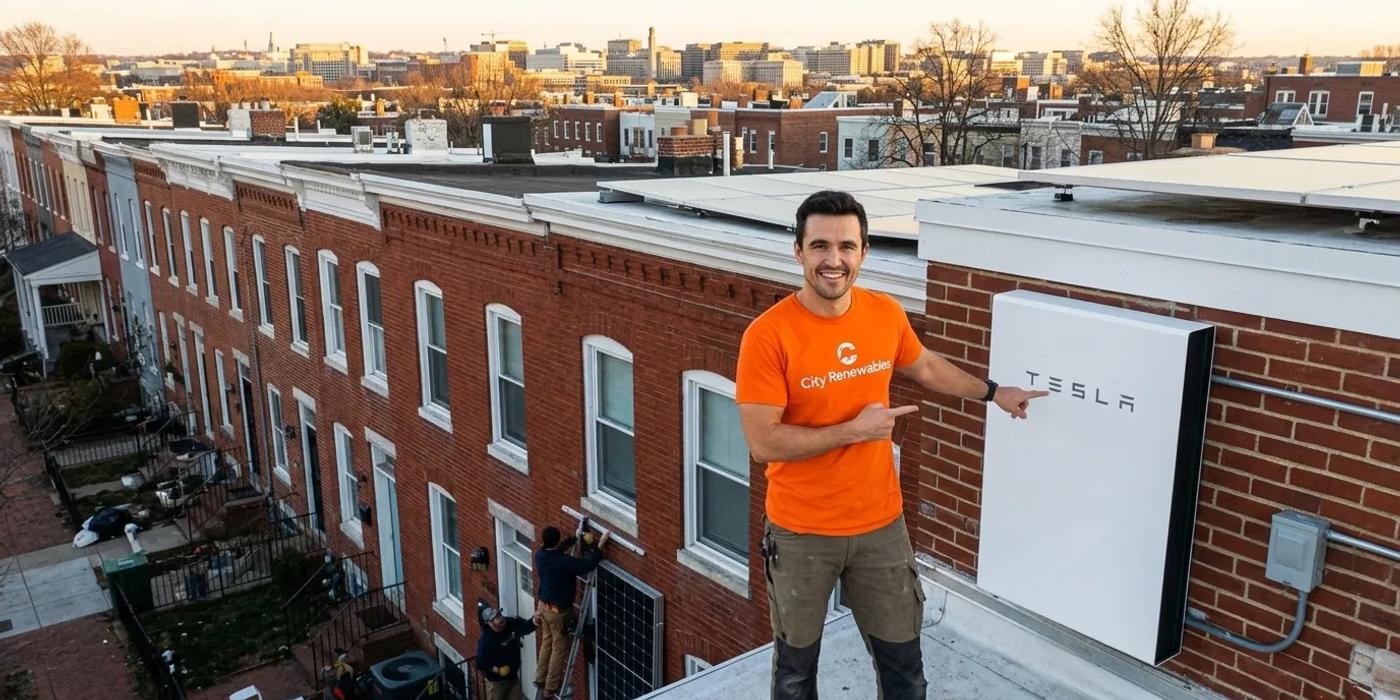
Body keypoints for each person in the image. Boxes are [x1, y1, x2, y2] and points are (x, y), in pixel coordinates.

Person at [736, 190, 1048, 700]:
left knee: (905, 672)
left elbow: (924, 366)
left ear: (864, 252)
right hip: (800, 534)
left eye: (846, 246)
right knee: (795, 678)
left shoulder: (883, 314)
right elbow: (762, 442)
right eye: (819, 246)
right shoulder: (769, 336)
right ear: (798, 252)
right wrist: (853, 432)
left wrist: (995, 393)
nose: (833, 260)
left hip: (882, 528)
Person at [532, 526, 608, 698]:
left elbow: (556, 552)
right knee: (559, 649)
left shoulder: (540, 555)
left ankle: (539, 678)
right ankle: (550, 687)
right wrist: (599, 545)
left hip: (544, 608)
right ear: (557, 540)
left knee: (546, 642)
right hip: (558, 613)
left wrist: (572, 540)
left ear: (544, 541)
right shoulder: (563, 562)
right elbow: (586, 565)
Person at [475, 606, 537, 700]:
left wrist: (534, 620)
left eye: (499, 614)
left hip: (513, 678)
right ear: (490, 624)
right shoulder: (486, 641)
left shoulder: (510, 623)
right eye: (496, 618)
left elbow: (525, 627)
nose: (500, 619)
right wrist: (497, 670)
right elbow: (480, 663)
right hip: (496, 683)